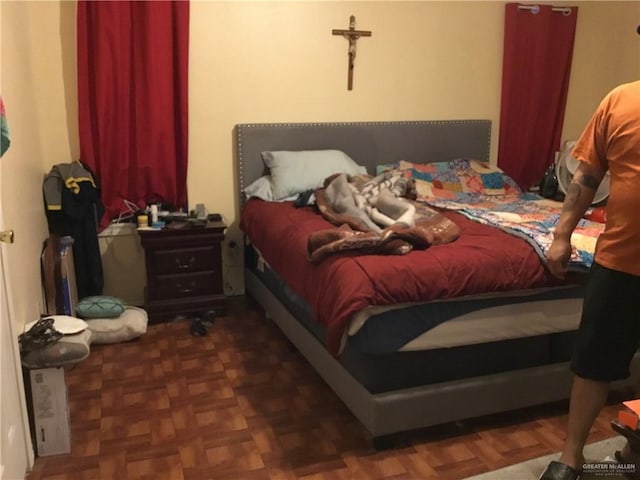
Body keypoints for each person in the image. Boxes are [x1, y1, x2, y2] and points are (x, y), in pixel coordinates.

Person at [539, 80, 640, 480]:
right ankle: (571, 457)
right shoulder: (619, 101)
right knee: (593, 363)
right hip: (620, 261)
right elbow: (587, 174)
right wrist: (562, 235)